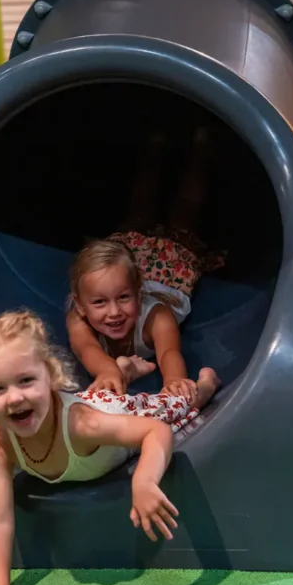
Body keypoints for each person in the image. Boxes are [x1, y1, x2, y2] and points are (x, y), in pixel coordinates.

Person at [0, 311, 219, 585]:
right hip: (89, 402)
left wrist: (144, 480)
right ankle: (121, 371)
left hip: (112, 412)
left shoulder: (82, 424)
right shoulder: (0, 445)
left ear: (51, 378)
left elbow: (156, 431)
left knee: (178, 406)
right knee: (97, 394)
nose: (15, 398)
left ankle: (204, 385)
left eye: (26, 380)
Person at [67, 126, 224, 401]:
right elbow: (87, 350)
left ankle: (201, 146)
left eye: (124, 298)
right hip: (141, 266)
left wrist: (174, 379)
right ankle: (154, 144)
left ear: (138, 292)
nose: (114, 312)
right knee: (143, 210)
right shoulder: (78, 320)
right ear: (80, 305)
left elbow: (168, 352)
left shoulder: (156, 317)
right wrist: (107, 371)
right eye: (99, 303)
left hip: (170, 268)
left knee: (181, 215)